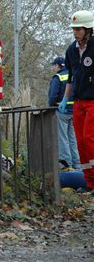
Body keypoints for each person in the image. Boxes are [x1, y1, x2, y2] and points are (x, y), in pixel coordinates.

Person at [60, 10, 94, 194]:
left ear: (88, 29)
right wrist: (66, 98)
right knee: (80, 141)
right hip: (78, 102)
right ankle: (89, 182)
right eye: (74, 29)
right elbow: (70, 77)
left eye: (79, 29)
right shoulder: (71, 50)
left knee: (90, 139)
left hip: (93, 101)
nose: (76, 32)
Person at [48, 56, 79, 169]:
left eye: (54, 65)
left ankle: (66, 164)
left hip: (62, 111)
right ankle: (77, 164)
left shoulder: (58, 77)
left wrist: (51, 106)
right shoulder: (74, 75)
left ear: (58, 65)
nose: (53, 67)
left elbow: (52, 96)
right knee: (73, 138)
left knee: (62, 139)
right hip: (75, 111)